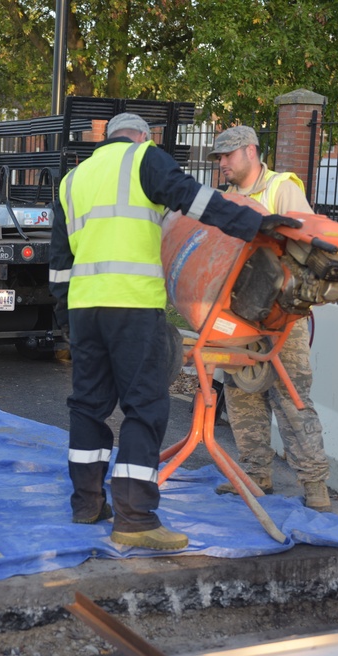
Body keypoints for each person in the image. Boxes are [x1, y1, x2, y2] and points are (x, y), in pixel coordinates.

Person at [49, 113, 303, 551]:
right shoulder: (144, 160)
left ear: (108, 138)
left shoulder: (72, 180)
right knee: (144, 407)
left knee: (87, 407)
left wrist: (64, 320)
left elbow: (58, 261)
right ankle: (135, 517)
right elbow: (193, 198)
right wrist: (252, 224)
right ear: (144, 137)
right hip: (132, 305)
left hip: (84, 309)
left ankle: (87, 503)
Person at [208, 124, 331, 511]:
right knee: (242, 395)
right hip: (238, 313)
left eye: (227, 155)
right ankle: (255, 474)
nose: (222, 163)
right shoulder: (225, 199)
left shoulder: (282, 188)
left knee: (291, 398)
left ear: (250, 151)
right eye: (219, 157)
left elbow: (306, 246)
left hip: (280, 315)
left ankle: (315, 486)